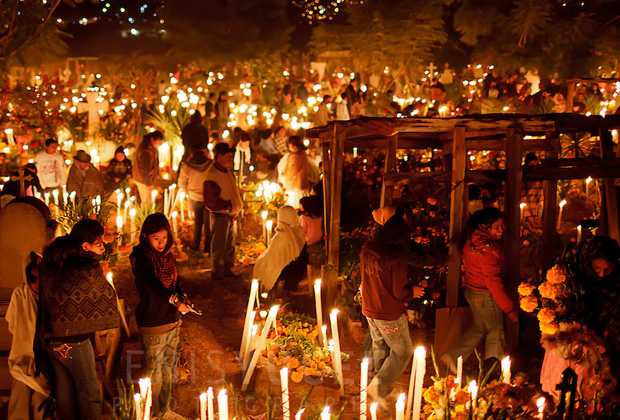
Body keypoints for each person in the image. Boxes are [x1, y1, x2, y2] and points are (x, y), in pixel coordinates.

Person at [38, 219, 119, 420]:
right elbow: (105, 296)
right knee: (89, 391)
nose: (103, 246)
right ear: (85, 246)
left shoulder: (57, 259)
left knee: (64, 391)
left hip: (52, 338)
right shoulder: (87, 267)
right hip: (76, 342)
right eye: (99, 242)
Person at [131, 213, 191, 417]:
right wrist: (175, 300)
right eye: (156, 238)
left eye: (164, 238)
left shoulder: (167, 257)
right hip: (154, 321)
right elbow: (153, 287)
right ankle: (151, 413)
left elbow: (176, 282)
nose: (161, 243)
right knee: (154, 372)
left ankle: (164, 411)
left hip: (173, 320)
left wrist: (182, 297)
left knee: (168, 369)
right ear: (145, 236)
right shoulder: (141, 259)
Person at [442, 207, 517, 372]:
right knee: (495, 333)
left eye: (502, 226)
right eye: (497, 226)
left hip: (472, 290)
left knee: (480, 328)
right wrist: (509, 307)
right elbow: (493, 281)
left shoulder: (473, 239)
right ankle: (492, 372)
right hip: (485, 294)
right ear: (485, 225)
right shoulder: (487, 248)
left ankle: (454, 355)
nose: (501, 230)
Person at [361, 214, 423, 405]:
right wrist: (413, 291)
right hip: (389, 313)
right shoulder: (396, 258)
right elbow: (399, 291)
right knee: (403, 351)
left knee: (380, 346)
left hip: (370, 308)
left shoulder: (368, 248)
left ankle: (379, 388)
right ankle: (379, 387)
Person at [6, 253, 50, 420]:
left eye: (41, 278)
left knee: (44, 388)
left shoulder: (49, 294)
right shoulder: (20, 294)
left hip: (45, 353)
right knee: (21, 379)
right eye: (33, 280)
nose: (38, 284)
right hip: (23, 350)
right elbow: (13, 323)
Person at [203, 142, 243, 281]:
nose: (230, 158)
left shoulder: (225, 171)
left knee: (229, 243)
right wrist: (226, 206)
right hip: (221, 214)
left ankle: (227, 269)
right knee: (219, 243)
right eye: (228, 155)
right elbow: (210, 199)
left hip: (229, 214)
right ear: (219, 156)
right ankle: (217, 271)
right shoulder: (213, 174)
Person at [253, 206, 309, 293]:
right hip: (299, 268)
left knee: (261, 264)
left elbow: (273, 258)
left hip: (286, 271)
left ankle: (268, 291)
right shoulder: (299, 230)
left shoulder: (282, 235)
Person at [178, 149, 211, 253]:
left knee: (197, 221)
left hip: (195, 197)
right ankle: (208, 247)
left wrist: (188, 192)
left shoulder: (187, 167)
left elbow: (182, 182)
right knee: (207, 223)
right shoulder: (210, 165)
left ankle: (195, 245)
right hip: (208, 196)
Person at [278, 136, 319, 208]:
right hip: (301, 186)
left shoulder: (296, 156)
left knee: (295, 207)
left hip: (295, 188)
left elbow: (290, 172)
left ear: (292, 145)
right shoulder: (302, 154)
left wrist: (283, 177)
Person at [133, 131, 163, 205]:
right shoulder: (146, 150)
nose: (159, 144)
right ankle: (145, 216)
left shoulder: (151, 148)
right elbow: (145, 169)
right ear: (152, 139)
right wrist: (148, 183)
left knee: (148, 201)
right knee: (147, 203)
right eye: (159, 141)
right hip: (143, 180)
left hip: (145, 179)